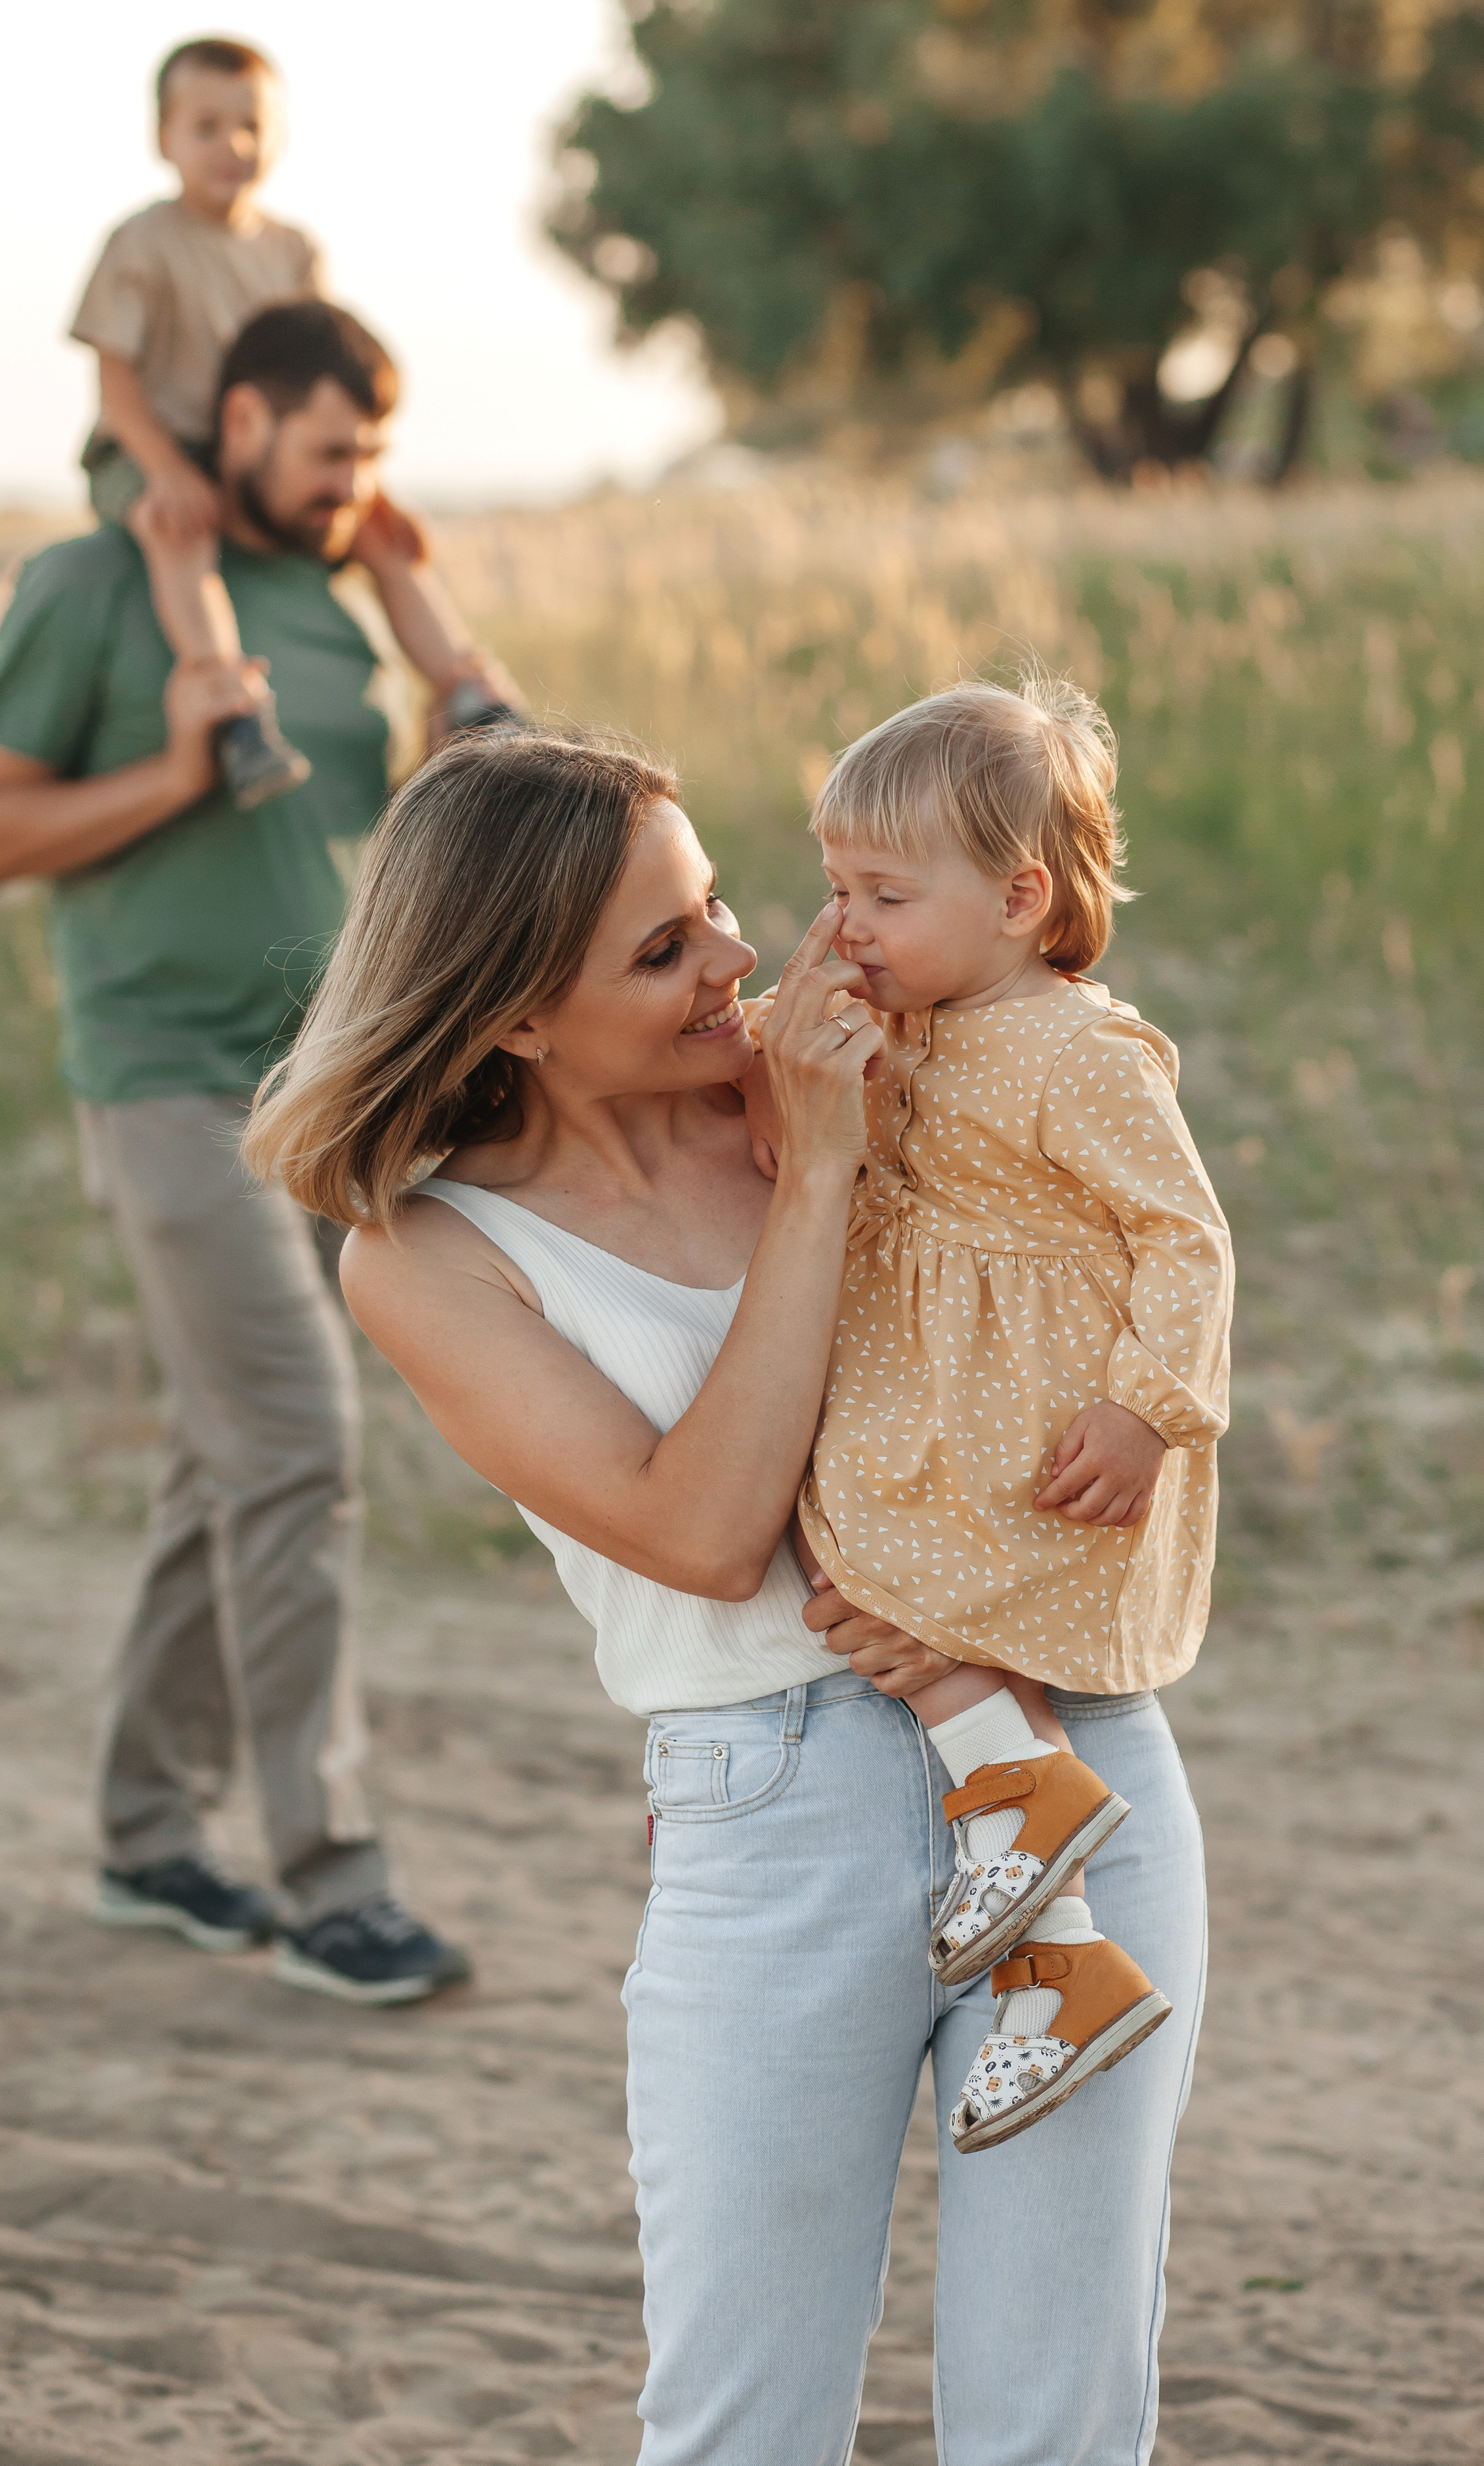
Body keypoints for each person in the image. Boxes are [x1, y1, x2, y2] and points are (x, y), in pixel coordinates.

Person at [243, 726, 1208, 2463]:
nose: (744, 961)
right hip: (779, 1805)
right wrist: (819, 1171)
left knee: (1062, 2419)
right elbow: (699, 1532)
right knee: (743, 2424)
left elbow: (1123, 1291)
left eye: (717, 910)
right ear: (518, 1013)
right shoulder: (434, 1254)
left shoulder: (862, 1065)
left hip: (1075, 1758)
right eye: (665, 948)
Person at [0, 299, 471, 2006]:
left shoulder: (330, 604)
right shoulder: (97, 587)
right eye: (331, 453)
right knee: (301, 1441)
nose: (352, 488)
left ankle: (143, 1835)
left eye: (374, 460)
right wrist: (177, 770)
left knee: (227, 1465)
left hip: (320, 1094)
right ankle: (332, 1879)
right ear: (238, 419)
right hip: (168, 1087)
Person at [740, 674, 1233, 2152]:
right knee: (845, 1572)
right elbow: (773, 1092)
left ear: (1020, 897)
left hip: (1031, 1445)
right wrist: (792, 1024)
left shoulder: (1079, 1052)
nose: (843, 928)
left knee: (875, 1596)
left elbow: (1184, 1237)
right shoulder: (897, 1015)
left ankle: (1026, 1817)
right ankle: (1057, 1954)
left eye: (880, 896)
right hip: (916, 1421)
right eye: (832, 889)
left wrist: (1148, 1409)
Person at [69, 33, 515, 804]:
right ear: (164, 138)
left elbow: (326, 376)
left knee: (384, 537)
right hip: (151, 445)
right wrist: (169, 471)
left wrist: (371, 485)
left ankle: (471, 696)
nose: (233, 145)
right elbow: (115, 387)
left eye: (252, 125)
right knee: (180, 534)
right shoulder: (142, 245)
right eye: (206, 127)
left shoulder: (292, 250)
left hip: (265, 453)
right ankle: (235, 714)